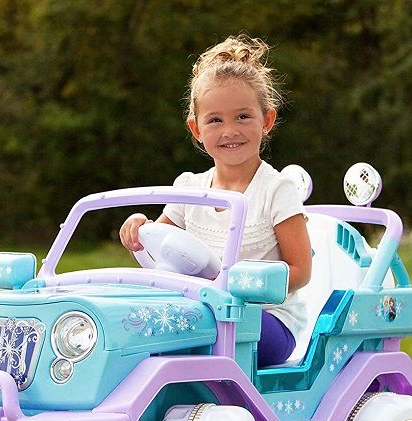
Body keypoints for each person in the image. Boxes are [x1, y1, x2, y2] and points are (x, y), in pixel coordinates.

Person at [119, 35, 312, 367]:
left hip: (265, 321)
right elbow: (157, 248)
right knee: (137, 324)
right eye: (215, 120)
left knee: (200, 327)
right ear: (196, 129)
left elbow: (301, 271)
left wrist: (240, 285)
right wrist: (139, 228)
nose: (229, 131)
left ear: (266, 120)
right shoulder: (189, 188)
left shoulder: (276, 189)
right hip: (201, 312)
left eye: (243, 117)